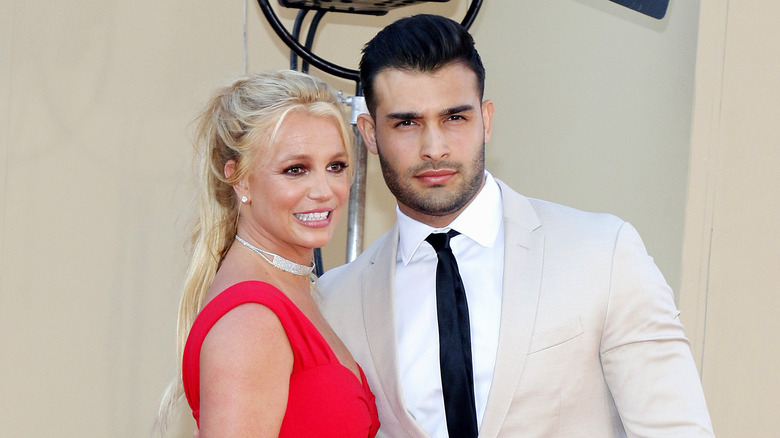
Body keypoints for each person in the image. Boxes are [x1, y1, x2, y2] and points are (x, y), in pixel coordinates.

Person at [316, 14, 714, 438]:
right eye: (407, 122)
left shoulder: (603, 253)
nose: (434, 148)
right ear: (370, 134)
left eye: (455, 118)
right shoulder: (336, 302)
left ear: (486, 120)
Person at [157, 70, 380, 437]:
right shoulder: (251, 319)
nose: (324, 191)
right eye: (296, 169)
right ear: (240, 179)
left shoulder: (289, 289)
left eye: (335, 166)